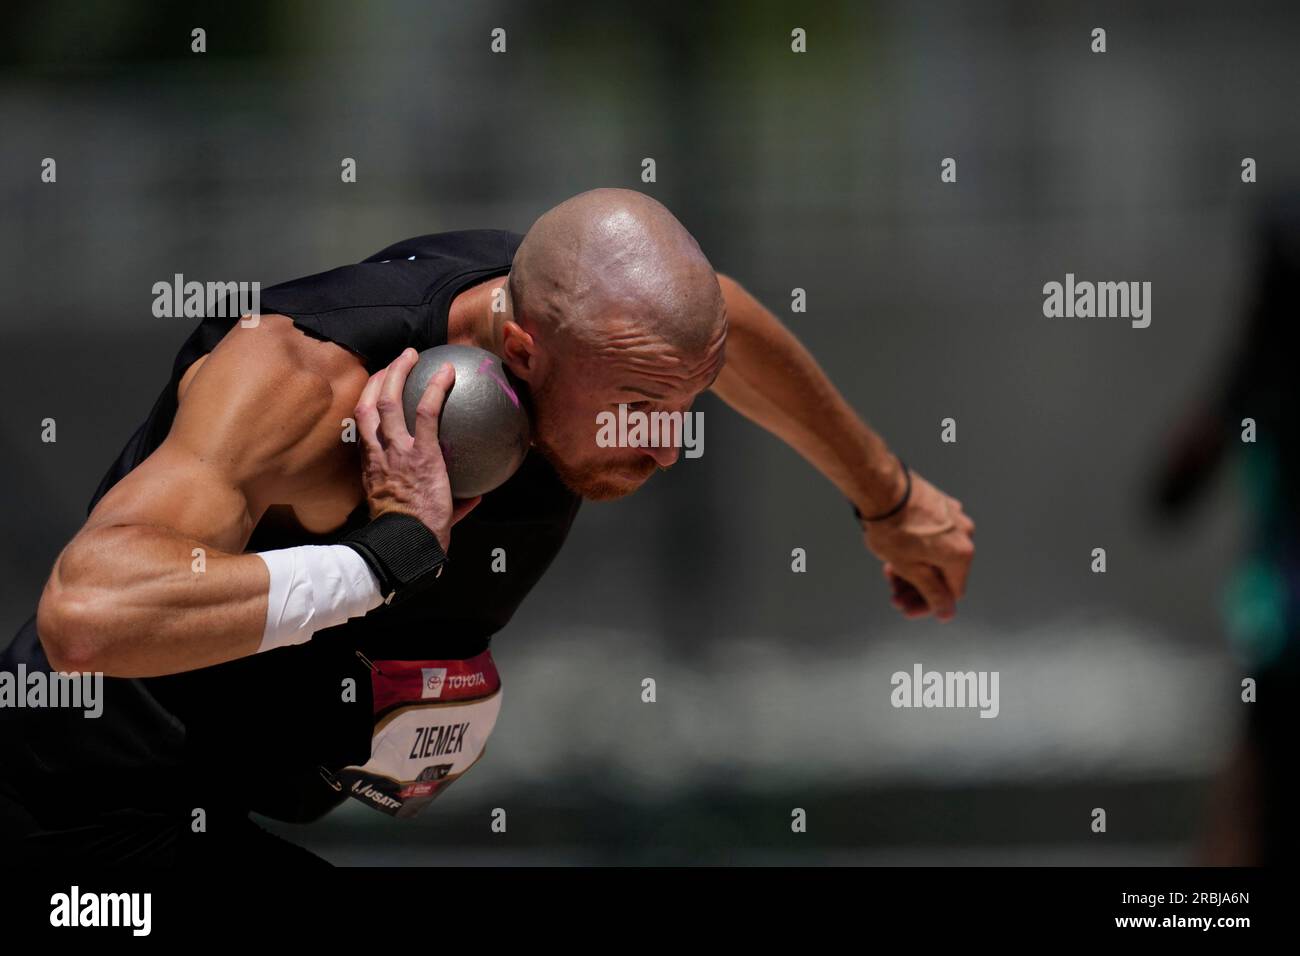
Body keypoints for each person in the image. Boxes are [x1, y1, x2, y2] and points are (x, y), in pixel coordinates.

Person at [0, 188, 975, 865]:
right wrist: (377, 560)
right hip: (76, 824)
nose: (665, 444)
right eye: (638, 405)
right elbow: (86, 614)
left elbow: (725, 324)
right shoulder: (300, 385)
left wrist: (891, 500)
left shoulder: (620, 330)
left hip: (227, 811)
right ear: (520, 350)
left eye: (687, 402)